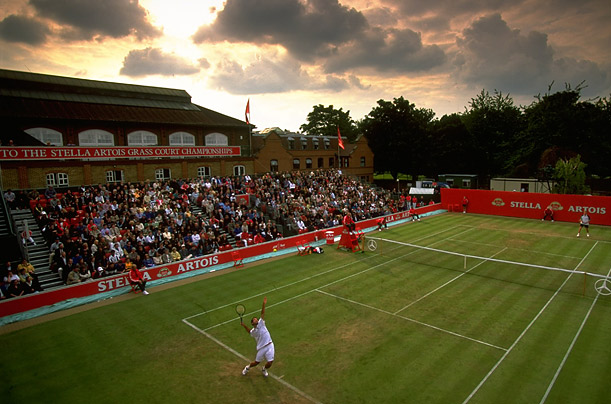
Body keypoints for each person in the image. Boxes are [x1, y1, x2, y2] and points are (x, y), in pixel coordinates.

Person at [241, 297, 274, 378]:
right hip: (261, 348)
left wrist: (264, 304)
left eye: (256, 319)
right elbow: (249, 331)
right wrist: (244, 325)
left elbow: (262, 313)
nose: (256, 320)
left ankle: (264, 369)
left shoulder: (261, 323)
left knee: (270, 362)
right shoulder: (253, 332)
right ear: (252, 323)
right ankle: (247, 367)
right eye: (254, 320)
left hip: (270, 345)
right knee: (256, 363)